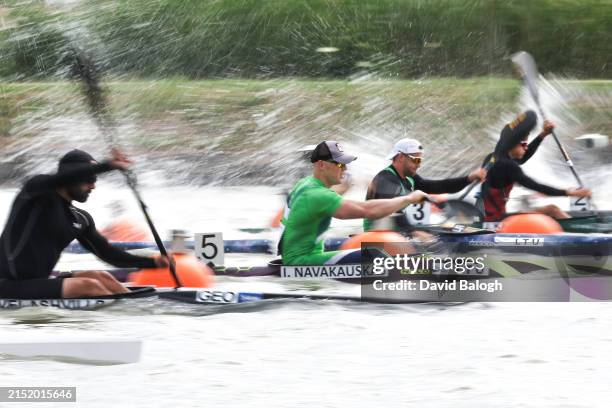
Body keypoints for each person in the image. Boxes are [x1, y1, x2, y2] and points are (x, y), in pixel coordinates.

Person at [0, 149, 171, 299]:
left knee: (101, 277)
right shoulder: (35, 192)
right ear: (72, 177)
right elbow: (65, 177)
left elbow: (110, 255)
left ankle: (136, 307)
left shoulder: (80, 219)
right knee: (89, 286)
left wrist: (154, 263)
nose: (93, 186)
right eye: (88, 179)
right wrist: (109, 165)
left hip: (38, 282)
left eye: (95, 179)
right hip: (7, 284)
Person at [279, 141, 429, 266]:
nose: (345, 169)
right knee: (375, 253)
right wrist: (408, 199)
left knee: (361, 245)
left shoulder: (306, 184)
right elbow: (368, 211)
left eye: (346, 164)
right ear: (321, 165)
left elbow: (325, 202)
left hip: (295, 257)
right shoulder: (317, 195)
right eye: (340, 165)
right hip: (301, 262)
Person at [480, 110, 591, 221]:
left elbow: (523, 157)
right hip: (495, 223)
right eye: (523, 144)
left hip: (493, 217)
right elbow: (535, 186)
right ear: (512, 144)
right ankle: (577, 233)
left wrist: (543, 134)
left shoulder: (495, 158)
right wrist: (570, 193)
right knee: (553, 210)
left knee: (549, 210)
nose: (526, 147)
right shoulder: (507, 165)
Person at [363, 138, 486, 230]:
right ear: (400, 157)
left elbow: (437, 186)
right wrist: (416, 232)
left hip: (400, 234)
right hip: (377, 238)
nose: (419, 164)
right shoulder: (385, 179)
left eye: (420, 160)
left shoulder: (410, 178)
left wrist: (468, 178)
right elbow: (391, 213)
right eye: (416, 159)